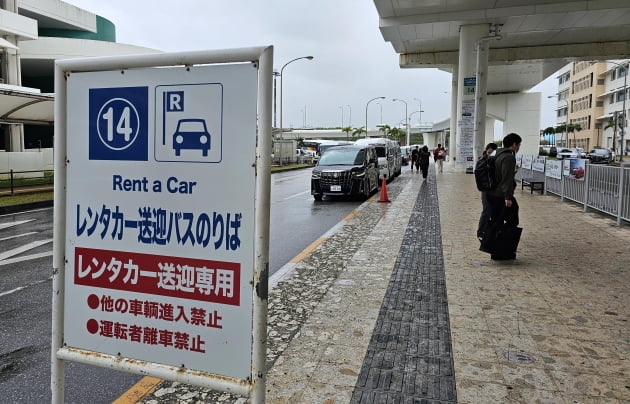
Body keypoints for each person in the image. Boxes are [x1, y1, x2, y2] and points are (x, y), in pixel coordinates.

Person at [486, 133, 522, 260]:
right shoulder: (508, 157)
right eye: (518, 144)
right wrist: (508, 197)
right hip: (501, 195)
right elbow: (506, 179)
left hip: (491, 193)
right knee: (512, 221)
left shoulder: (497, 153)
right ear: (514, 144)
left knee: (497, 221)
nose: (519, 147)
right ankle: (503, 250)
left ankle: (496, 251)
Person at [477, 142, 498, 240]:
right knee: (487, 210)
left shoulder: (494, 160)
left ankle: (490, 230)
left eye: (492, 152)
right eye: (488, 152)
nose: (490, 154)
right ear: (486, 151)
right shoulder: (484, 161)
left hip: (493, 190)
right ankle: (481, 231)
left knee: (492, 211)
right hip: (486, 190)